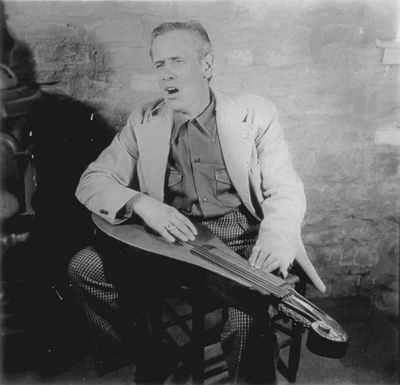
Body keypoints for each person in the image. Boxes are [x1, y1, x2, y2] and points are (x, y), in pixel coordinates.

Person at [69, 20, 325, 384]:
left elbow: (285, 189)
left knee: (246, 322)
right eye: (159, 64)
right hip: (173, 239)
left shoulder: (255, 114)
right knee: (84, 269)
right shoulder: (144, 120)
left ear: (206, 66)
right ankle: (153, 352)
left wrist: (277, 238)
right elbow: (92, 182)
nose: (166, 75)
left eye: (177, 61)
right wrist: (143, 203)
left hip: (244, 238)